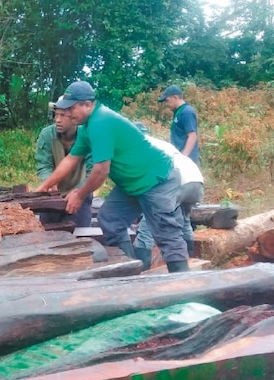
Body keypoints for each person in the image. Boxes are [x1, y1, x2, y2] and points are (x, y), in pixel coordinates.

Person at [35, 81, 190, 272]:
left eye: (71, 108)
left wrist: (79, 195)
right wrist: (45, 185)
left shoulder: (101, 122)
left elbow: (101, 171)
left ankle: (183, 281)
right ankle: (133, 272)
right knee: (110, 219)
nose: (67, 114)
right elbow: (71, 160)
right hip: (131, 184)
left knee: (166, 233)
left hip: (156, 180)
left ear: (87, 104)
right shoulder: (86, 127)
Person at [132, 122, 204, 270]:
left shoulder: (139, 146)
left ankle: (141, 270)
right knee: (184, 221)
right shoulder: (159, 143)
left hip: (177, 180)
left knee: (149, 222)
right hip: (196, 179)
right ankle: (191, 261)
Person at [35, 97, 92, 227]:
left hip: (81, 194)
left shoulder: (87, 136)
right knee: (46, 237)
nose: (57, 120)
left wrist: (79, 192)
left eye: (63, 115)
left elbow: (92, 171)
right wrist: (50, 183)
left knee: (80, 239)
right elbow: (44, 165)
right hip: (53, 195)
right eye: (56, 115)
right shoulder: (47, 135)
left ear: (73, 117)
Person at [158, 85, 200, 164]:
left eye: (167, 100)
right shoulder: (179, 112)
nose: (166, 104)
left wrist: (183, 157)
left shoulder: (187, 112)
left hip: (186, 161)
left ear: (175, 97)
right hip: (178, 158)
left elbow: (192, 135)